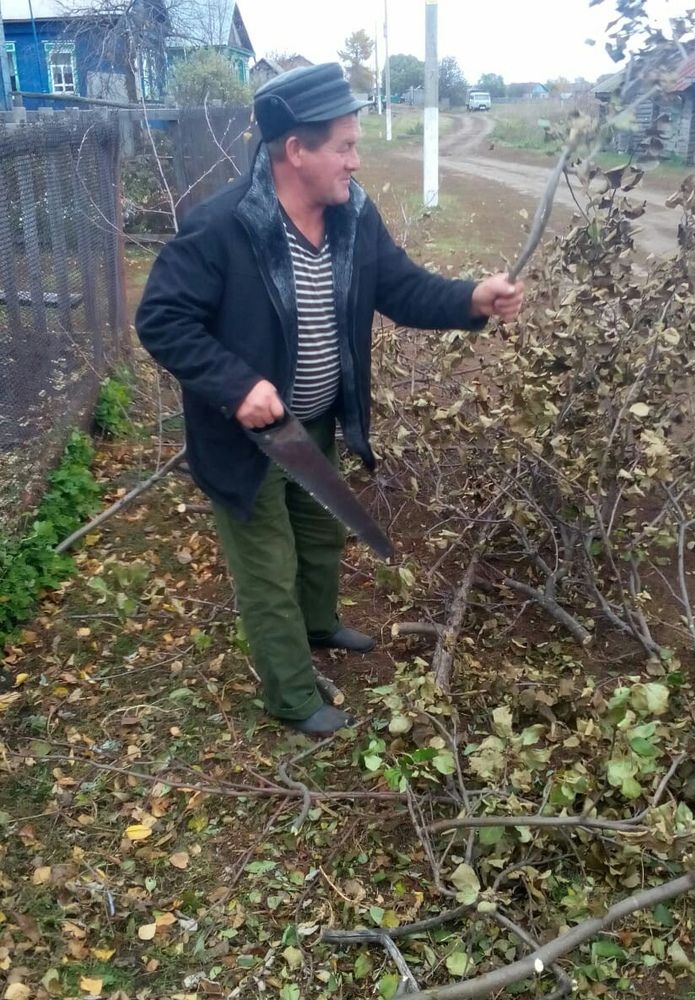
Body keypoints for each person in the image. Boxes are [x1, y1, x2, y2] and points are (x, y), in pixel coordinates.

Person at [136, 64, 524, 735]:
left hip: (313, 425)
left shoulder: (352, 218)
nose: (356, 158)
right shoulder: (223, 227)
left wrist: (469, 298)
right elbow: (162, 320)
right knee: (269, 566)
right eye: (343, 146)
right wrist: (236, 386)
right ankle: (290, 697)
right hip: (246, 441)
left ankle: (318, 627)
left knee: (318, 537)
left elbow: (401, 289)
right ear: (296, 151)